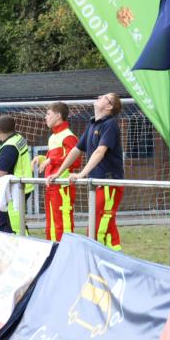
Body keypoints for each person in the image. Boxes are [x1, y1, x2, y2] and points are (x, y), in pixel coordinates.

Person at [54, 92, 125, 250]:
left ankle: (98, 259)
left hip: (108, 183)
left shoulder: (110, 124)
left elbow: (100, 152)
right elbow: (76, 150)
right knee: (106, 226)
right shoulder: (92, 124)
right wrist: (58, 173)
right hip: (98, 184)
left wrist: (81, 174)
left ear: (109, 106)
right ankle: (115, 257)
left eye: (104, 97)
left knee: (97, 228)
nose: (99, 97)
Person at [32, 102, 81, 241]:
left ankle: (65, 251)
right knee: (51, 224)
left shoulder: (68, 136)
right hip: (52, 185)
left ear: (58, 116)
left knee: (62, 223)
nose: (45, 117)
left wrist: (51, 160)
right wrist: (42, 159)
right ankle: (53, 250)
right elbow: (55, 159)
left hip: (63, 187)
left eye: (48, 114)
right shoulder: (53, 137)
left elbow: (76, 161)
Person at [0, 115, 33, 234]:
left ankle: (22, 243)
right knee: (8, 223)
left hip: (14, 191)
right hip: (18, 188)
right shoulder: (17, 138)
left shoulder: (9, 146)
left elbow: (1, 171)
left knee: (13, 226)